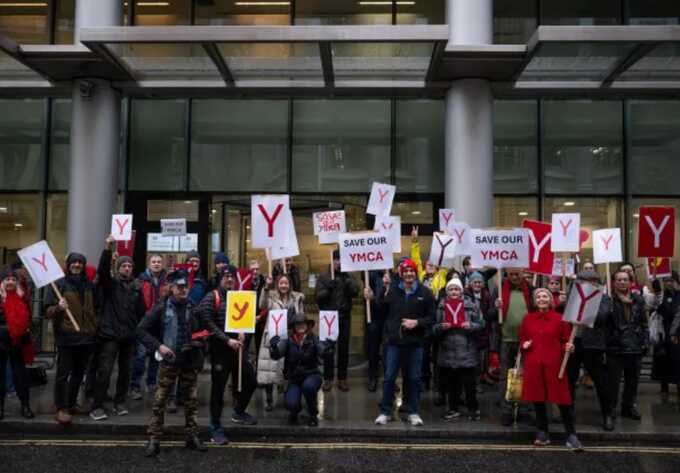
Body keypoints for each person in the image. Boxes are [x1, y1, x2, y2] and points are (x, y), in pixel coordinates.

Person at [137, 270, 207, 457]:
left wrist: (198, 342)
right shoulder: (160, 308)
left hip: (189, 361)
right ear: (172, 288)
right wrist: (159, 347)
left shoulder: (194, 307)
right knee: (160, 401)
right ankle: (154, 439)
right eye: (180, 287)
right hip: (169, 362)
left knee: (191, 402)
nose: (183, 290)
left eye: (186, 287)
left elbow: (203, 332)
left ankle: (192, 437)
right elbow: (141, 330)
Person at [367, 259, 435, 427]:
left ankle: (413, 411)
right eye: (405, 271)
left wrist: (417, 323)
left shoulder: (425, 292)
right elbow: (381, 311)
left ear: (415, 272)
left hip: (415, 343)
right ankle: (385, 412)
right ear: (401, 273)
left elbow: (432, 318)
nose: (408, 274)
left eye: (411, 271)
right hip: (394, 342)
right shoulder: (392, 291)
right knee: (389, 377)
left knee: (413, 378)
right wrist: (372, 296)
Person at [198, 265, 257, 446]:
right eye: (226, 277)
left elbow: (244, 319)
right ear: (220, 279)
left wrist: (244, 332)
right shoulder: (212, 296)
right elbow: (206, 320)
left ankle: (239, 412)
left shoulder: (237, 296)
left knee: (250, 380)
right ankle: (215, 427)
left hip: (238, 349)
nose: (230, 280)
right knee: (218, 390)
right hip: (220, 351)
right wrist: (226, 340)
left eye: (232, 277)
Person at [90, 235, 146, 421]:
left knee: (125, 372)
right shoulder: (110, 285)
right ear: (118, 267)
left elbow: (141, 312)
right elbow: (102, 271)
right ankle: (97, 405)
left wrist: (137, 329)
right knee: (104, 371)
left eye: (130, 266)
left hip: (129, 336)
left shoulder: (137, 288)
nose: (127, 268)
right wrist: (108, 249)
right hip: (110, 335)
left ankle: (119, 402)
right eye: (124, 266)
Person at [519, 288, 582, 451]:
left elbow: (565, 341)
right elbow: (523, 338)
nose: (542, 299)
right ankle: (542, 432)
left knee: (563, 401)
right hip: (534, 364)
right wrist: (524, 345)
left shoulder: (560, 319)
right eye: (538, 296)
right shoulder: (528, 319)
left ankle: (571, 434)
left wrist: (568, 346)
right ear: (534, 301)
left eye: (545, 296)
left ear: (550, 299)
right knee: (538, 400)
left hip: (554, 365)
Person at [45, 253, 99, 425]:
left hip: (86, 337)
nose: (77, 265)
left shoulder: (89, 285)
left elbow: (95, 308)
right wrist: (57, 308)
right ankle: (60, 408)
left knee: (78, 374)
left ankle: (70, 404)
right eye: (74, 262)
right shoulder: (58, 284)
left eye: (80, 262)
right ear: (68, 265)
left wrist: (94, 326)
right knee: (63, 374)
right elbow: (47, 311)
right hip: (66, 337)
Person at [565, 270, 614, 431]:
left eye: (588, 281)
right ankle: (568, 412)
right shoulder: (573, 297)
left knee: (601, 381)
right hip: (573, 343)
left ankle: (607, 414)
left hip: (593, 345)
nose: (584, 284)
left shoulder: (604, 298)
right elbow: (565, 315)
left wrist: (585, 304)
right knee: (570, 379)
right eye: (581, 281)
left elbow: (601, 316)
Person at [269, 312, 334, 427]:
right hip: (295, 378)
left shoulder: (313, 338)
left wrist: (328, 348)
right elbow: (276, 355)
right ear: (294, 327)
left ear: (308, 325)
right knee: (290, 403)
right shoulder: (288, 340)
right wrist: (273, 347)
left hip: (312, 375)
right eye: (298, 324)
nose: (301, 327)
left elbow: (322, 352)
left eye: (303, 324)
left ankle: (313, 415)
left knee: (308, 387)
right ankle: (295, 410)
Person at [487, 268, 534, 426]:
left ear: (522, 273)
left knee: (526, 376)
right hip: (505, 340)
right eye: (511, 274)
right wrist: (496, 306)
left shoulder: (530, 289)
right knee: (505, 377)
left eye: (517, 274)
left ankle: (524, 410)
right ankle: (506, 410)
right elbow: (489, 315)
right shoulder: (499, 290)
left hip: (526, 341)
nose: (514, 277)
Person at [434, 277, 484, 421]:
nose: (454, 292)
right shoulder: (441, 306)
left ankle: (473, 409)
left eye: (456, 289)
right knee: (452, 384)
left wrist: (472, 326)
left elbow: (481, 323)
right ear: (447, 292)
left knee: (469, 383)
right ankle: (453, 409)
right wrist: (440, 327)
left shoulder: (471, 305)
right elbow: (434, 327)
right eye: (451, 289)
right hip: (447, 349)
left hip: (466, 349)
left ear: (461, 291)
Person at [314, 250, 360, 392]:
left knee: (343, 349)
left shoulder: (349, 275)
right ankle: (328, 378)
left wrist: (347, 280)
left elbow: (355, 291)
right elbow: (318, 297)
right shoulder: (324, 276)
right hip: (328, 317)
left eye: (341, 260)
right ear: (332, 261)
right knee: (328, 349)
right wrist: (328, 288)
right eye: (336, 260)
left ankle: (342, 378)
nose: (339, 263)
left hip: (344, 316)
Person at [409, 225, 448, 392]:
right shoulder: (421, 276)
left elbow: (444, 259)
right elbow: (415, 260)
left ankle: (439, 383)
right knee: (423, 353)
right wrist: (415, 242)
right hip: (424, 318)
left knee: (439, 353)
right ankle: (424, 380)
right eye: (428, 263)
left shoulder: (442, 275)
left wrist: (445, 239)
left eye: (434, 263)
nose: (431, 264)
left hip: (438, 318)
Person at [258, 273, 304, 411]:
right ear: (277, 285)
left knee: (284, 369)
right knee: (269, 370)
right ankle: (269, 399)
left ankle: (287, 396)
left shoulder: (296, 299)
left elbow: (301, 317)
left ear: (289, 285)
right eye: (281, 283)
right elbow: (262, 304)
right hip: (272, 337)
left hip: (289, 338)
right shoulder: (271, 297)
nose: (284, 285)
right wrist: (266, 287)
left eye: (286, 283)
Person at [606, 269, 648, 421]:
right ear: (614, 282)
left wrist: (645, 341)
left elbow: (644, 323)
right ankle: (610, 411)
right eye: (619, 280)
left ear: (631, 282)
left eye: (625, 280)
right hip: (615, 348)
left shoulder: (638, 300)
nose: (622, 282)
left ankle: (628, 407)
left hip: (635, 346)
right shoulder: (608, 300)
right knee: (613, 383)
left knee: (632, 382)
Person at [130, 254, 168, 401]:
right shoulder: (140, 281)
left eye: (159, 261)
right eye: (154, 262)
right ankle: (134, 386)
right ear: (149, 264)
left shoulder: (168, 280)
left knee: (155, 357)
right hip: (144, 324)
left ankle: (151, 383)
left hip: (160, 324)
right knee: (139, 356)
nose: (157, 264)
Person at [0, 268, 35, 420]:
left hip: (17, 342)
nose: (10, 282)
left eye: (13, 279)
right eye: (7, 279)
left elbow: (29, 319)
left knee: (20, 375)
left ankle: (25, 405)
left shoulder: (23, 298)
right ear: (2, 282)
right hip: (0, 341)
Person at [652, 272, 680, 408]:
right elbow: (662, 310)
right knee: (663, 360)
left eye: (671, 280)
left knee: (677, 361)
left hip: (677, 334)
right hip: (664, 333)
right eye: (666, 280)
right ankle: (664, 386)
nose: (669, 283)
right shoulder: (662, 296)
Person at [465, 271, 496, 387]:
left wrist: (495, 308)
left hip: (484, 331)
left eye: (480, 282)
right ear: (471, 284)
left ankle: (483, 376)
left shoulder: (487, 295)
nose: (477, 284)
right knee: (474, 359)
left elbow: (490, 313)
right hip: (471, 332)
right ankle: (475, 382)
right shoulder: (466, 295)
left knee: (484, 358)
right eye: (475, 282)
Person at [365, 269, 388, 392]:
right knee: (373, 350)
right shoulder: (370, 275)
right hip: (374, 318)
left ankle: (389, 379)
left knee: (388, 351)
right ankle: (372, 378)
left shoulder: (391, 276)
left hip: (388, 318)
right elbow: (365, 279)